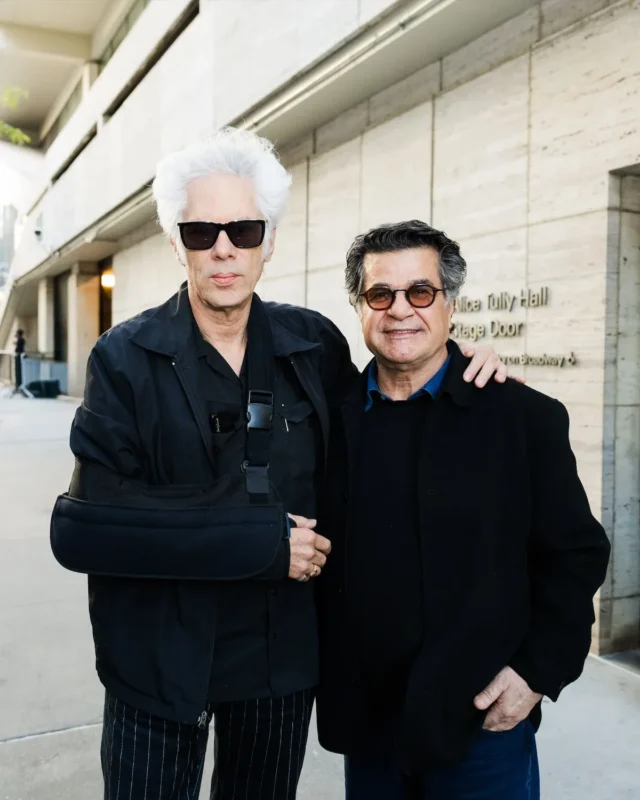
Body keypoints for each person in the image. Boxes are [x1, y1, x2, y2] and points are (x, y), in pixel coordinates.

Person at [50, 130, 507, 800]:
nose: (224, 247)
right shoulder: (125, 358)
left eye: (243, 227)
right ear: (177, 243)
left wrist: (465, 367)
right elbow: (84, 531)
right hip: (157, 665)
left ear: (269, 241)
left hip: (278, 666)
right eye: (202, 231)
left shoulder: (312, 345)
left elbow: (393, 412)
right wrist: (258, 542)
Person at [315, 220, 612, 800]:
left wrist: (536, 674)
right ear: (360, 306)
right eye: (381, 294)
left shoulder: (522, 419)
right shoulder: (327, 421)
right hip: (369, 727)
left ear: (450, 303)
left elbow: (576, 556)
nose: (401, 309)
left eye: (420, 292)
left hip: (482, 728)